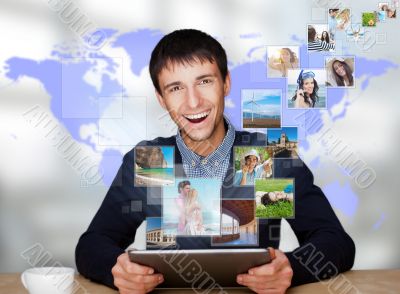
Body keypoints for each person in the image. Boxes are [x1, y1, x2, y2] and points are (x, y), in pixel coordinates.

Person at [75, 29, 355, 294]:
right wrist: (116, 269)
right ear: (161, 99)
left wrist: (292, 268)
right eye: (175, 88)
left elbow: (335, 241)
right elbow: (92, 245)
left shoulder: (270, 156)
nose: (193, 102)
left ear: (226, 83)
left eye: (204, 81)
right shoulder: (152, 160)